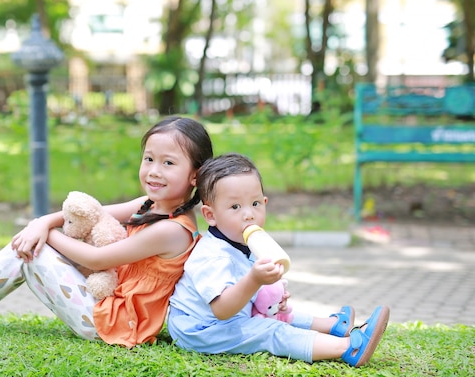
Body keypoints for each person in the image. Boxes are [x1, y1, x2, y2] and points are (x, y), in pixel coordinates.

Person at [0, 116, 213, 348]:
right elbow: (95, 212)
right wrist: (41, 222)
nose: (154, 170)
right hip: (106, 306)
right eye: (149, 159)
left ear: (195, 175)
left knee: (32, 252)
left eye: (168, 163)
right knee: (32, 243)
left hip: (112, 323)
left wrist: (45, 233)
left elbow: (95, 259)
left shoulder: (173, 229)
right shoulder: (150, 203)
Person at [167, 153, 390, 367]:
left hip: (229, 315)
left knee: (280, 313)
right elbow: (222, 309)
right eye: (235, 207)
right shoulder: (212, 256)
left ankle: (333, 325)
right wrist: (255, 280)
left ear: (265, 202)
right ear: (210, 215)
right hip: (201, 328)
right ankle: (347, 347)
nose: (248, 214)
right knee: (270, 330)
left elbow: (249, 293)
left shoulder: (245, 242)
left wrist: (273, 298)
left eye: (255, 204)